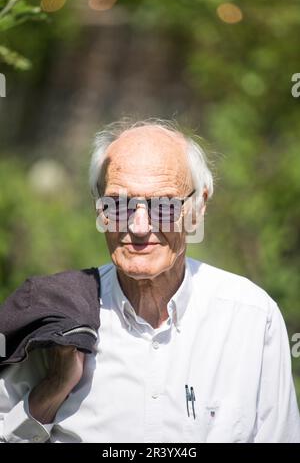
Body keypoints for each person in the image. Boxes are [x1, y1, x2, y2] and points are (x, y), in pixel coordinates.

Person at [0, 120, 299, 443]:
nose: (139, 227)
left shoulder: (252, 318)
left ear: (198, 208)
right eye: (119, 204)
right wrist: (52, 391)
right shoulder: (56, 316)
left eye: (164, 206)